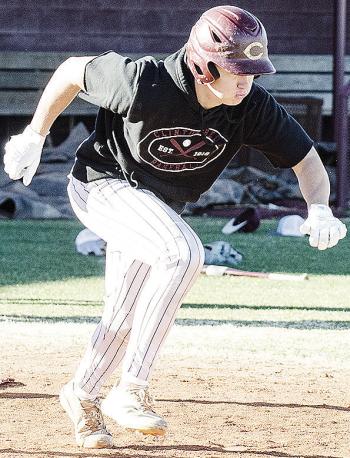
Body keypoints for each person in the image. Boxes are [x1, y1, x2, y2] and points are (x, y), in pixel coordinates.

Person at [3, 5, 346, 449]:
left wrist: (319, 208)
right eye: (236, 69)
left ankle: (82, 395)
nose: (247, 79)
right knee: (182, 254)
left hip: (158, 207)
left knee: (124, 314)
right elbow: (71, 71)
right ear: (204, 66)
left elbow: (307, 161)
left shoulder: (251, 105)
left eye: (253, 70)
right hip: (103, 187)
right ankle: (132, 388)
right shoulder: (143, 82)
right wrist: (35, 133)